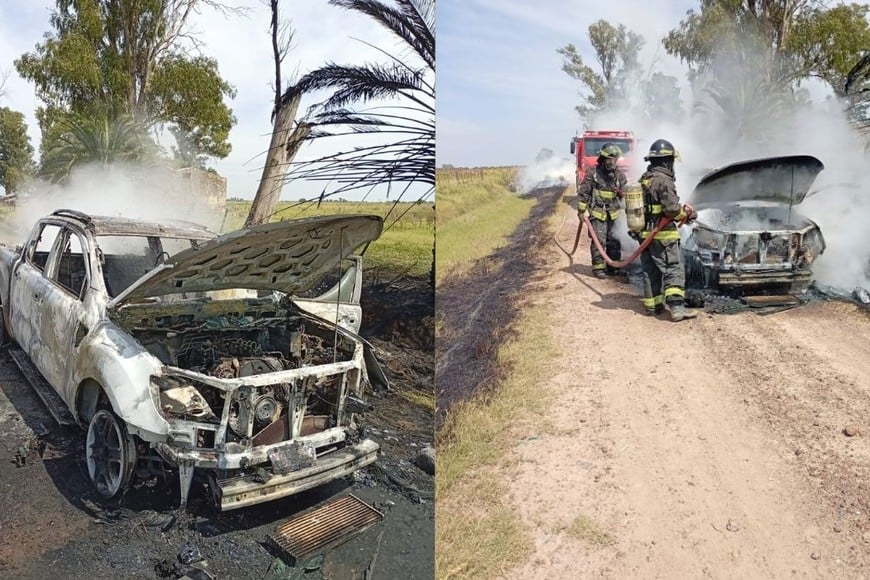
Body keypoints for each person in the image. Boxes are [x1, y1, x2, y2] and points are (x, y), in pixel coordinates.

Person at [638, 138, 698, 322]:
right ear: (666, 161)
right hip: (663, 235)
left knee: (650, 270)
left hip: (645, 234)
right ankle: (677, 309)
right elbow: (671, 209)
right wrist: (686, 215)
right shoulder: (663, 181)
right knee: (673, 268)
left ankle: (653, 306)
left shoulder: (644, 179)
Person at [577, 143, 627, 278]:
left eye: (614, 160)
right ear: (602, 159)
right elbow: (584, 193)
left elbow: (626, 195)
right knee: (599, 241)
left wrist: (621, 193)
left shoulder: (620, 176)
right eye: (609, 159)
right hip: (598, 213)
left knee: (615, 240)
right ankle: (598, 268)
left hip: (614, 214)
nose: (612, 163)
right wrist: (581, 211)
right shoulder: (593, 174)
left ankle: (614, 267)